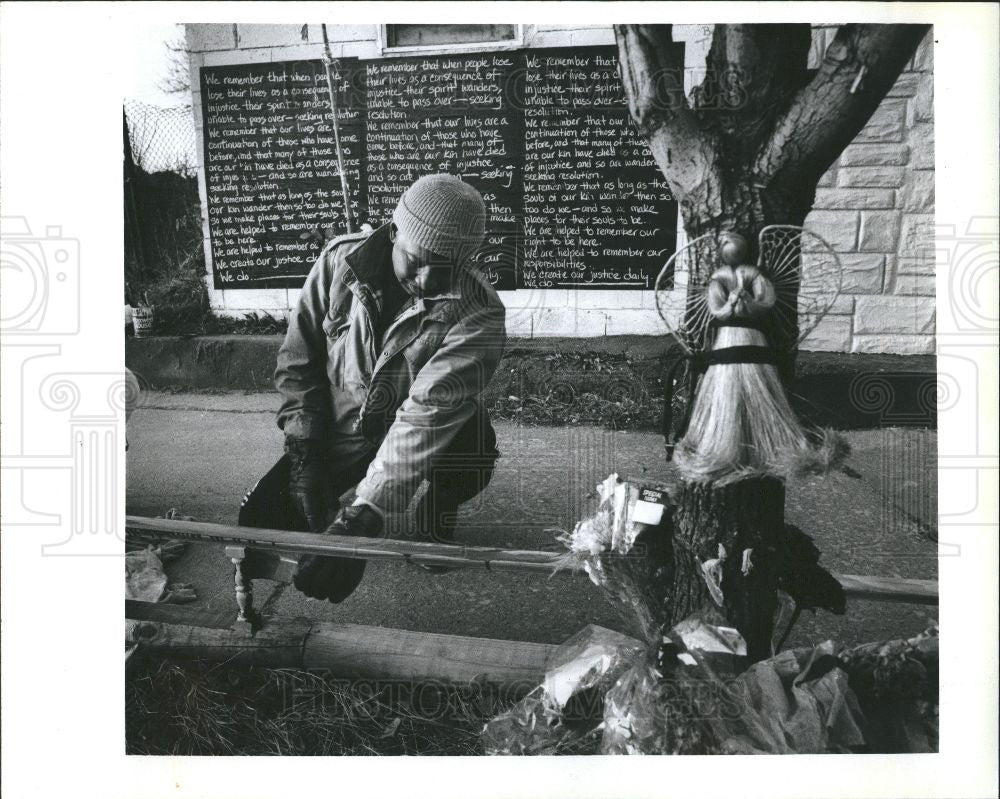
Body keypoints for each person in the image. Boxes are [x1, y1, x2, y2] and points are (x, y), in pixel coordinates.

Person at [238, 174, 506, 603]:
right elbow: (297, 362)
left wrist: (364, 519)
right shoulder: (338, 262)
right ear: (394, 231)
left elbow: (428, 413)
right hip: (343, 432)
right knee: (258, 523)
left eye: (446, 267)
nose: (428, 279)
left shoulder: (479, 313)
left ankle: (438, 506)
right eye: (417, 260)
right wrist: (305, 452)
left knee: (469, 448)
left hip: (426, 435)